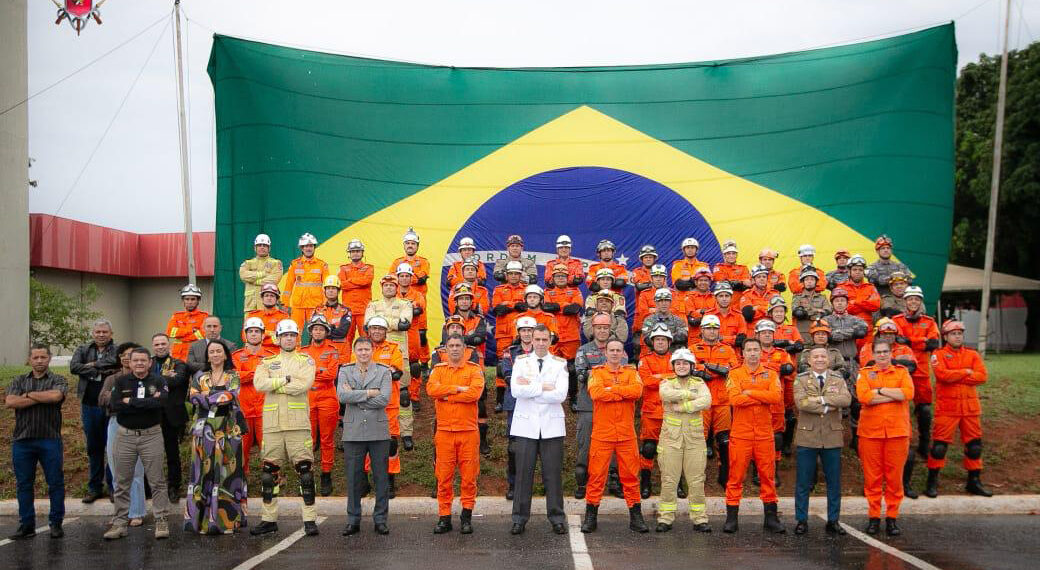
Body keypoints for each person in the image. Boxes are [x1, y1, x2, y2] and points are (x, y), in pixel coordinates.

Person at [250, 319, 319, 537]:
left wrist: (276, 384)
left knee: (305, 473)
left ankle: (309, 519)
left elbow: (303, 385)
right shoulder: (267, 361)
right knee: (269, 474)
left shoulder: (306, 360)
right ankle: (268, 519)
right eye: (285, 335)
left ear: (297, 338)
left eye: (292, 335)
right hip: (273, 426)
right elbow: (259, 384)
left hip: (298, 425)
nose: (289, 339)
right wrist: (286, 380)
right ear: (278, 338)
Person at [103, 347, 171, 541]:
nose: (139, 363)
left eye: (143, 360)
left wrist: (130, 401)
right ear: (129, 363)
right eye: (136, 360)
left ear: (149, 363)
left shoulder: (159, 381)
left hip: (151, 435)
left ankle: (161, 520)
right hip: (125, 436)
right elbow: (115, 405)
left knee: (157, 481)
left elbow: (161, 402)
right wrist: (146, 402)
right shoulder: (120, 381)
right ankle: (120, 523)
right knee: (122, 481)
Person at [581, 339, 648, 534]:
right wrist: (622, 393)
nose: (615, 353)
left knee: (630, 476)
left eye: (618, 350)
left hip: (626, 434)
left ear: (623, 353)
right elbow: (596, 393)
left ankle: (636, 516)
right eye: (612, 350)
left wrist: (612, 389)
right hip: (602, 434)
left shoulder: (631, 372)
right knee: (596, 476)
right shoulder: (596, 372)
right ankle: (591, 517)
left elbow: (637, 391)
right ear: (606, 353)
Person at [508, 325, 569, 535]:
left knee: (553, 475)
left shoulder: (560, 364)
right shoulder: (520, 361)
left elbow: (560, 395)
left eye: (545, 339)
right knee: (523, 475)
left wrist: (531, 387)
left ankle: (557, 518)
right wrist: (543, 386)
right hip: (526, 427)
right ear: (531, 340)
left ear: (550, 341)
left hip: (552, 427)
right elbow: (516, 391)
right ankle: (519, 518)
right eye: (538, 339)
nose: (541, 343)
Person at [6, 344, 68, 540]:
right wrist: (42, 397)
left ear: (49, 358)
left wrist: (27, 395)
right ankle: (27, 525)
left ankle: (56, 523)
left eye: (43, 357)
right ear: (29, 359)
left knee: (55, 483)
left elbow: (56, 396)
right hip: (22, 440)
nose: (39, 360)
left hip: (50, 439)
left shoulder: (58, 379)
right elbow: (11, 402)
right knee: (24, 484)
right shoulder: (18, 380)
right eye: (36, 357)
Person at [723, 338, 785, 534]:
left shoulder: (771, 373)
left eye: (755, 350)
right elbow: (734, 399)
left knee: (768, 477)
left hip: (764, 434)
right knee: (735, 477)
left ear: (761, 352)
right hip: (741, 434)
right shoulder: (734, 373)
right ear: (742, 353)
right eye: (748, 350)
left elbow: (775, 397)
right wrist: (761, 395)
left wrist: (749, 392)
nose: (752, 353)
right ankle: (731, 518)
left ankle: (771, 518)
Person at [926, 319, 992, 498]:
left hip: (970, 409)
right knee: (939, 448)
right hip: (947, 408)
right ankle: (932, 481)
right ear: (945, 337)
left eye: (960, 333)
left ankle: (974, 482)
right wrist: (966, 372)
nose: (957, 336)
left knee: (974, 447)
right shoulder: (938, 354)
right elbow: (942, 376)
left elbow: (982, 376)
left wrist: (956, 375)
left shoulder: (973, 354)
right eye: (953, 334)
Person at [185, 340, 246, 534]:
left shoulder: (233, 375)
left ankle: (225, 522)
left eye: (219, 351)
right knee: (202, 472)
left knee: (226, 473)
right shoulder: (200, 376)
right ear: (207, 356)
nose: (215, 354)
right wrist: (214, 397)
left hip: (228, 429)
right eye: (211, 352)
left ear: (225, 354)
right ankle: (200, 521)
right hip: (203, 429)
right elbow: (192, 397)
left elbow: (230, 395)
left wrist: (207, 397)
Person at [428, 335, 485, 535]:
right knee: (443, 478)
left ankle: (466, 517)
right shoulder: (438, 370)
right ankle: (444, 518)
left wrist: (446, 396)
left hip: (468, 432)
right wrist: (457, 389)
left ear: (464, 348)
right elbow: (431, 390)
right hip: (444, 432)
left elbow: (474, 394)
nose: (454, 349)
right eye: (450, 345)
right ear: (445, 348)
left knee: (469, 478)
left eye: (458, 345)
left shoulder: (474, 369)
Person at [856, 339, 914, 536]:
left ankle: (891, 518)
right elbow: (864, 397)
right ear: (873, 354)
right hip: (870, 433)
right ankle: (873, 517)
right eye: (878, 352)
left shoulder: (902, 372)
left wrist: (879, 391)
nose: (882, 355)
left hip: (897, 433)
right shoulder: (865, 373)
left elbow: (908, 393)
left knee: (894, 478)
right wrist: (894, 396)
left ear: (891, 353)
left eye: (885, 352)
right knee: (872, 478)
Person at [792, 347, 852, 536]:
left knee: (834, 482)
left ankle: (833, 520)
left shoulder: (838, 378)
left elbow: (846, 399)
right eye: (816, 356)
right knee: (803, 482)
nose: (819, 359)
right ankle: (801, 520)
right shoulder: (801, 379)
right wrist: (828, 405)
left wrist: (819, 399)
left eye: (823, 356)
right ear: (809, 361)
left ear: (829, 360)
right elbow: (801, 403)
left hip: (832, 437)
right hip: (807, 437)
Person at [337, 336, 392, 536]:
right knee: (353, 478)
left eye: (366, 349)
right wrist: (369, 393)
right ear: (355, 351)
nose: (363, 353)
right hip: (353, 432)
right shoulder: (345, 370)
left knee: (381, 478)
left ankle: (380, 520)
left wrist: (356, 395)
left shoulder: (384, 371)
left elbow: (384, 399)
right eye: (359, 349)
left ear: (372, 351)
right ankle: (353, 520)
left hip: (378, 431)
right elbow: (342, 396)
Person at [655, 349, 712, 533]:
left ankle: (699, 518)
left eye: (685, 363)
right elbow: (666, 395)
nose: (681, 366)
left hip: (694, 440)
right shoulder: (667, 383)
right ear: (673, 366)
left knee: (696, 481)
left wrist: (685, 406)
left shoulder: (700, 383)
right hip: (670, 439)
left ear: (691, 366)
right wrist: (691, 394)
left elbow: (706, 401)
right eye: (678, 363)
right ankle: (665, 518)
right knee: (669, 480)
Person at [891, 286, 940, 494]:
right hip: (902, 371)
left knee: (925, 410)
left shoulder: (929, 321)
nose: (913, 302)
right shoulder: (896, 320)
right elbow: (896, 340)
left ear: (920, 302)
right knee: (900, 407)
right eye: (910, 299)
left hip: (921, 373)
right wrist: (921, 342)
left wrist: (911, 341)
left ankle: (924, 443)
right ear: (905, 301)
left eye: (916, 299)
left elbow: (933, 343)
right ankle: (902, 443)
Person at [69, 319, 120, 503]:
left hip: (111, 407)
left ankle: (113, 487)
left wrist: (92, 365)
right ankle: (94, 488)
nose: (101, 335)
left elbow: (114, 362)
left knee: (112, 448)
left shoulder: (117, 349)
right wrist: (98, 370)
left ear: (111, 333)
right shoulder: (83, 349)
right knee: (94, 447)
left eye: (105, 332)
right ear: (93, 333)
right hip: (89, 405)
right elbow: (74, 367)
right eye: (98, 332)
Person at [355, 317, 406, 497]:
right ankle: (364, 480)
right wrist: (383, 372)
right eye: (373, 328)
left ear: (386, 331)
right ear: (368, 330)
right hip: (364, 404)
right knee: (363, 442)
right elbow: (353, 374)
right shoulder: (360, 348)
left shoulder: (393, 348)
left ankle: (389, 481)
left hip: (388, 405)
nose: (376, 331)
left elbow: (396, 373)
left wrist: (369, 372)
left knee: (390, 444)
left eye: (380, 328)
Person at [98, 343, 147, 528]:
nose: (128, 358)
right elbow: (102, 399)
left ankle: (136, 512)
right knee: (116, 469)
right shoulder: (112, 379)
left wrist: (120, 398)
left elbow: (147, 401)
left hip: (138, 423)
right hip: (115, 422)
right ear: (120, 358)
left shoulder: (145, 378)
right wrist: (126, 399)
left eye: (131, 355)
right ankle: (120, 513)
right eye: (124, 355)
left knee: (136, 470)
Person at [365, 275, 413, 450]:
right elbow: (367, 325)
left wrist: (380, 321)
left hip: (400, 353)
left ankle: (406, 432)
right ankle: (379, 430)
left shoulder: (405, 304)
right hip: (376, 353)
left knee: (404, 395)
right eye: (386, 285)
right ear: (382, 287)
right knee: (375, 391)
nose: (389, 288)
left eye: (392, 285)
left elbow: (405, 324)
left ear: (397, 287)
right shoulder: (372, 304)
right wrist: (394, 323)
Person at [572, 313, 617, 500]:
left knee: (613, 444)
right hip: (588, 405)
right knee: (585, 444)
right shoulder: (583, 350)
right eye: (599, 328)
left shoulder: (617, 349)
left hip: (611, 405)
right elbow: (581, 375)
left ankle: (614, 482)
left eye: (605, 328)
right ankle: (582, 483)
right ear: (593, 329)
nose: (602, 331)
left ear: (610, 329)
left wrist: (596, 373)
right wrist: (606, 373)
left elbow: (622, 373)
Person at [691, 315, 739, 487]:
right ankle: (697, 476)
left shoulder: (728, 349)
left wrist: (707, 367)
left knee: (724, 439)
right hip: (700, 400)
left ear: (719, 331)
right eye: (708, 328)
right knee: (698, 439)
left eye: (715, 328)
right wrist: (715, 369)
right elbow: (688, 367)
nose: (712, 331)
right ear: (702, 330)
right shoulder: (693, 348)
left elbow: (733, 369)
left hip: (723, 400)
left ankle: (724, 474)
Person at [301, 314, 343, 496]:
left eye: (321, 329)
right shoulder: (302, 351)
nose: (318, 332)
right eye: (315, 329)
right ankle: (307, 476)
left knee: (327, 439)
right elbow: (300, 374)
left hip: (327, 398)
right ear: (310, 332)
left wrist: (312, 372)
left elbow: (332, 374)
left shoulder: (333, 350)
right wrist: (319, 371)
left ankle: (326, 474)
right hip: (307, 398)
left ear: (326, 332)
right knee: (308, 439)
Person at [498, 316, 538, 498]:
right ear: (519, 333)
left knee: (538, 445)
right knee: (514, 447)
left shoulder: (543, 351)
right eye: (524, 330)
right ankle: (513, 485)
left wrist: (526, 381)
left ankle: (535, 484)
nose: (527, 334)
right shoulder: (510, 352)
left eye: (530, 330)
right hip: (515, 403)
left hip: (538, 403)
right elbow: (508, 375)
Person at [824, 288, 868, 446]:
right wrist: (851, 333)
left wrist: (839, 333)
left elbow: (863, 329)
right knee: (833, 398)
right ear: (832, 303)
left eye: (842, 300)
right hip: (833, 364)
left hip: (851, 362)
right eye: (837, 301)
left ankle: (856, 435)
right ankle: (833, 436)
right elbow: (827, 334)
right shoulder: (826, 320)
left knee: (856, 399)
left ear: (847, 302)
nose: (840, 303)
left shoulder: (855, 319)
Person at [232, 318, 274, 475]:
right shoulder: (236, 356)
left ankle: (271, 478)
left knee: (269, 447)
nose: (254, 334)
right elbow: (235, 378)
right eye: (250, 331)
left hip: (265, 409)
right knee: (242, 447)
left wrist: (247, 374)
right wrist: (259, 373)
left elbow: (273, 378)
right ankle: (241, 478)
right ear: (245, 335)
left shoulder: (271, 356)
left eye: (257, 331)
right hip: (244, 409)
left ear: (263, 335)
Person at [151, 333, 190, 502]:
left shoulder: (179, 364)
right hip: (150, 415)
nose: (160, 347)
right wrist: (167, 377)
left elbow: (178, 381)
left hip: (172, 416)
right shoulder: (147, 363)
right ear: (153, 346)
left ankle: (174, 486)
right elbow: (142, 381)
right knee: (151, 454)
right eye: (157, 344)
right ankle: (151, 487)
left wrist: (153, 381)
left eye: (163, 343)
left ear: (169, 345)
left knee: (172, 453)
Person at [636, 325, 674, 499]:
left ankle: (676, 484)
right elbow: (646, 381)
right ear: (652, 342)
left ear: (669, 342)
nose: (660, 342)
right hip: (651, 411)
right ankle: (645, 483)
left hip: (672, 410)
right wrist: (668, 377)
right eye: (657, 339)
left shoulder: (676, 359)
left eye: (663, 340)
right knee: (649, 448)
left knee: (673, 449)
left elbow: (680, 379)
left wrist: (658, 376)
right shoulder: (644, 360)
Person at [755, 320, 796, 473]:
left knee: (777, 437)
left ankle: (774, 469)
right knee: (758, 436)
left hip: (777, 401)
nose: (767, 335)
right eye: (763, 332)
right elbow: (749, 369)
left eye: (770, 332)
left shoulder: (782, 353)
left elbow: (790, 373)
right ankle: (757, 470)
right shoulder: (752, 352)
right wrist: (777, 368)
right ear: (757, 335)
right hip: (757, 401)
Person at [543, 264, 584, 409]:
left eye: (563, 276)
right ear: (553, 278)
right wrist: (565, 305)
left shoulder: (576, 291)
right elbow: (547, 307)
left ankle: (573, 398)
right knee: (550, 366)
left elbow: (575, 308)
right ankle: (551, 395)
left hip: (571, 336)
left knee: (571, 368)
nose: (560, 278)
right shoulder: (547, 292)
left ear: (568, 278)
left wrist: (557, 307)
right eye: (557, 276)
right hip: (553, 335)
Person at [396, 262, 429, 414]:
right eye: (401, 276)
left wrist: (400, 311)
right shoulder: (392, 293)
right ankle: (397, 395)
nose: (404, 278)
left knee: (414, 366)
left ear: (411, 278)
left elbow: (419, 310)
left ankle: (414, 396)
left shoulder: (418, 295)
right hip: (396, 334)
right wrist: (408, 309)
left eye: (407, 276)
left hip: (412, 332)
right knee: (396, 364)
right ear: (397, 278)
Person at [283, 232, 330, 331]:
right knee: (295, 331)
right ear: (302, 248)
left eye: (311, 246)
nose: (308, 248)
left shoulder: (322, 265)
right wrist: (285, 303)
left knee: (316, 332)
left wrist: (326, 304)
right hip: (298, 305)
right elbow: (288, 286)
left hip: (316, 305)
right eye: (306, 246)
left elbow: (327, 286)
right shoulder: (295, 264)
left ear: (314, 247)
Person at [337, 238, 374, 346]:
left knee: (367, 338)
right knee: (346, 339)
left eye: (358, 251)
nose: (355, 253)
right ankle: (346, 357)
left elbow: (367, 281)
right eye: (353, 251)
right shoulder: (343, 268)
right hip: (348, 311)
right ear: (349, 253)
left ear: (362, 253)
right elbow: (341, 284)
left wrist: (350, 281)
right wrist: (358, 283)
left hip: (364, 310)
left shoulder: (369, 268)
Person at [492, 261, 530, 357]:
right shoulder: (498, 289)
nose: (513, 276)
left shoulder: (527, 289)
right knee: (503, 359)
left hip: (523, 330)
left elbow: (527, 307)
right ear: (506, 275)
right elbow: (498, 309)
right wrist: (516, 305)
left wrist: (507, 304)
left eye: (516, 274)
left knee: (525, 357)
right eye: (511, 273)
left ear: (520, 275)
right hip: (503, 332)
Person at [239, 233, 283, 313]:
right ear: (255, 248)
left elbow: (274, 279)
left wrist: (254, 281)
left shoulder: (276, 263)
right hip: (251, 305)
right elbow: (243, 275)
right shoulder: (248, 263)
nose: (262, 247)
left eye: (265, 245)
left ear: (269, 248)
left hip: (269, 306)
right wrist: (263, 274)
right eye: (259, 245)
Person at [312, 275, 353, 358]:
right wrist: (332, 328)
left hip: (340, 353)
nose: (330, 291)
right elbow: (313, 332)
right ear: (325, 291)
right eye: (328, 288)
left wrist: (323, 330)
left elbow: (342, 333)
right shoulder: (318, 310)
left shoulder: (345, 311)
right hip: (321, 352)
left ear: (338, 291)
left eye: (333, 288)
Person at [166, 284, 209, 361]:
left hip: (197, 356)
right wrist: (191, 331)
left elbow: (203, 335)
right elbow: (170, 332)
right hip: (178, 357)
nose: (190, 302)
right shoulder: (176, 316)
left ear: (198, 300)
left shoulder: (204, 316)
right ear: (183, 300)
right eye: (187, 299)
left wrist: (182, 336)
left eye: (193, 299)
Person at [843, 254, 881, 342]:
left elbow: (876, 305)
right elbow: (843, 308)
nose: (858, 272)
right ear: (849, 271)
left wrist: (855, 302)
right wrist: (866, 303)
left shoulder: (871, 287)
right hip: (848, 330)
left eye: (860, 270)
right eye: (855, 269)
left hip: (868, 331)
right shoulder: (841, 288)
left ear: (864, 272)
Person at [791, 269, 833, 340]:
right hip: (803, 333)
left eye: (812, 279)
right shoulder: (797, 297)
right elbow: (798, 313)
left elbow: (828, 312)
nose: (809, 281)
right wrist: (818, 311)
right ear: (803, 282)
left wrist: (806, 313)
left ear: (816, 282)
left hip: (819, 333)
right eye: (806, 279)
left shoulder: (822, 297)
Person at [246, 284, 291, 349]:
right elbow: (245, 337)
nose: (269, 298)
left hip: (275, 352)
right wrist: (270, 334)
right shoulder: (253, 315)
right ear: (262, 298)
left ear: (277, 299)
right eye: (266, 295)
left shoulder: (284, 316)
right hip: (256, 351)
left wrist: (258, 337)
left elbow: (282, 339)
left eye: (272, 296)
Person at [703, 282, 748, 348]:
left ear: (731, 298)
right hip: (714, 351)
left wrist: (722, 338)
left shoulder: (739, 316)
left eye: (727, 296)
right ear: (715, 298)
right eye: (721, 296)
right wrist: (732, 339)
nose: (724, 299)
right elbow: (706, 337)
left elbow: (741, 339)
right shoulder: (708, 315)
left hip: (734, 352)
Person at [713, 240, 752, 307]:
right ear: (724, 255)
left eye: (733, 253)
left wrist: (732, 282)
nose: (731, 256)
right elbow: (722, 283)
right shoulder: (719, 267)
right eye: (728, 253)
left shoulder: (743, 268)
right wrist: (740, 283)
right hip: (724, 304)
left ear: (736, 255)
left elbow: (748, 284)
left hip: (740, 304)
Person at [683, 267, 716, 344]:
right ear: (696, 282)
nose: (703, 282)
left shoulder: (715, 297)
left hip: (713, 336)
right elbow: (691, 317)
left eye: (706, 280)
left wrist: (700, 311)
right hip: (695, 337)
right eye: (700, 280)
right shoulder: (689, 297)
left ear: (710, 282)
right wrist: (708, 312)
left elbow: (717, 314)